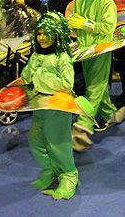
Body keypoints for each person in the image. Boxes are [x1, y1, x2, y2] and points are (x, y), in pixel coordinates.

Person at [16, 11, 78, 200]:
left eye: (47, 33)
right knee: (36, 140)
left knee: (58, 142)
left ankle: (68, 175)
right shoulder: (36, 55)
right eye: (39, 33)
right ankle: (50, 169)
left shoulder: (62, 58)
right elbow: (27, 77)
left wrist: (40, 75)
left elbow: (67, 84)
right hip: (40, 105)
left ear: (57, 34)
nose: (42, 37)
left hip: (58, 106)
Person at [68, 0, 125, 151]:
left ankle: (83, 126)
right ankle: (110, 115)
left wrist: (86, 23)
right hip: (85, 51)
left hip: (102, 49)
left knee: (94, 88)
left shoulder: (106, 1)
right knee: (97, 85)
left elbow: (108, 28)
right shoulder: (79, 1)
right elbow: (77, 27)